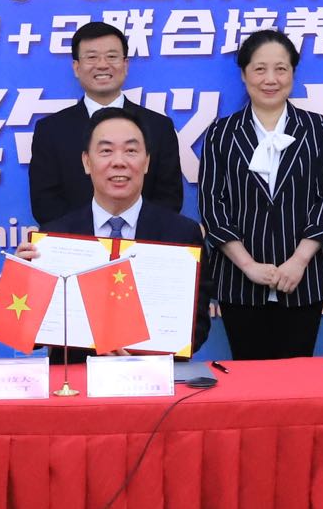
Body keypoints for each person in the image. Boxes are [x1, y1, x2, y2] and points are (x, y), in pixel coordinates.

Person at [14, 105, 215, 355]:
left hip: (154, 383)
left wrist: (144, 351)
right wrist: (25, 284)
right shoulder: (55, 238)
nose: (119, 162)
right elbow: (30, 337)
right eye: (106, 151)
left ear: (146, 162)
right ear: (87, 162)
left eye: (131, 151)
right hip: (76, 385)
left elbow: (198, 327)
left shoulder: (181, 235)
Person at [198, 30, 323, 360]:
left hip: (304, 278)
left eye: (281, 69)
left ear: (293, 73)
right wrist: (248, 265)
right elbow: (212, 205)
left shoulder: (316, 127)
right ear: (244, 74)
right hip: (240, 280)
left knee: (298, 375)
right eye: (260, 68)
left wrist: (299, 260)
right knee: (250, 376)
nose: (271, 79)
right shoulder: (222, 133)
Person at [28, 21, 184, 224]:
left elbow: (169, 199)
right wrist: (94, 238)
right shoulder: (50, 130)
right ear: (76, 67)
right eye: (92, 57)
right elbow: (45, 203)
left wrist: (129, 233)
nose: (102, 64)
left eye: (112, 56)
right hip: (74, 248)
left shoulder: (159, 127)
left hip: (144, 248)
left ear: (125, 65)